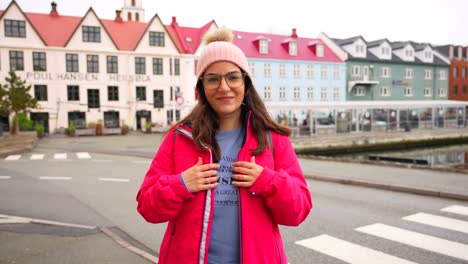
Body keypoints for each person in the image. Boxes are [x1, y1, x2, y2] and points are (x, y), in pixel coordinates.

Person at [136, 27, 312, 264]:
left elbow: (298, 212)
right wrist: (181, 185)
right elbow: (148, 207)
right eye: (212, 79)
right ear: (201, 89)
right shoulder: (179, 138)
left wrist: (268, 181)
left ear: (245, 83)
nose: (224, 87)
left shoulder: (273, 139)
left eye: (232, 76)